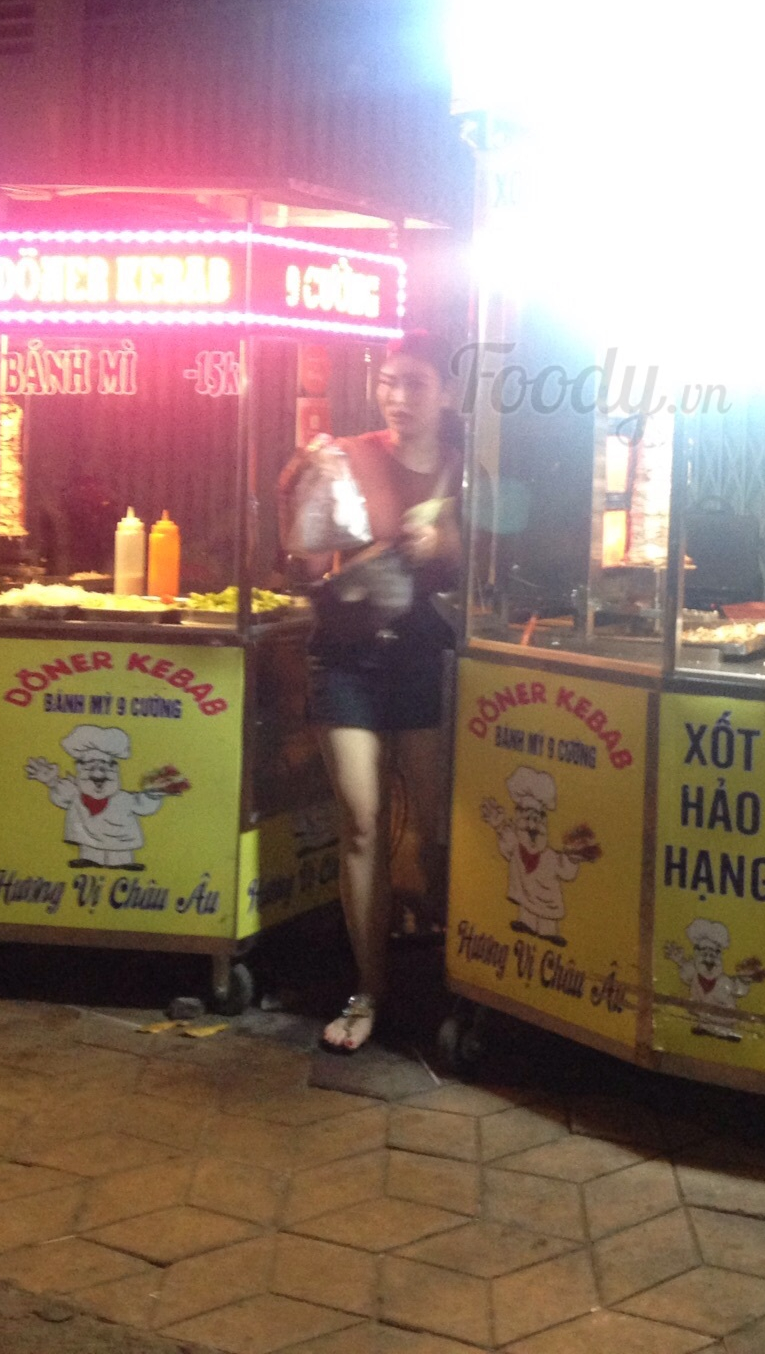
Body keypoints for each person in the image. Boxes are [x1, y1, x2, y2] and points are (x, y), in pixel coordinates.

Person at [281, 331, 462, 1053]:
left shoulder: (467, 470)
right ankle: (368, 990)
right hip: (347, 654)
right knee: (362, 821)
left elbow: (492, 563)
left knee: (436, 828)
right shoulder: (349, 455)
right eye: (389, 382)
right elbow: (302, 553)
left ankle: (455, 978)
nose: (397, 397)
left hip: (422, 655)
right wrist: (301, 490)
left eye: (415, 383)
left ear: (447, 394)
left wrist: (445, 545)